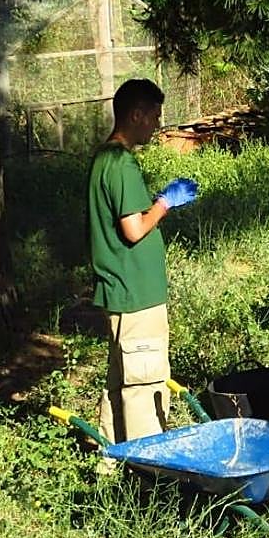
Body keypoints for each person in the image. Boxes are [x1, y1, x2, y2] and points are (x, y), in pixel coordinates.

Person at [89, 78, 197, 443]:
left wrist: (155, 202)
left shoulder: (105, 159)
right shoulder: (121, 164)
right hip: (136, 294)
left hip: (121, 289)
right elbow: (133, 230)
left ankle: (110, 458)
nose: (156, 123)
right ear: (135, 115)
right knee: (144, 384)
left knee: (120, 379)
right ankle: (148, 472)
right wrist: (165, 203)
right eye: (153, 115)